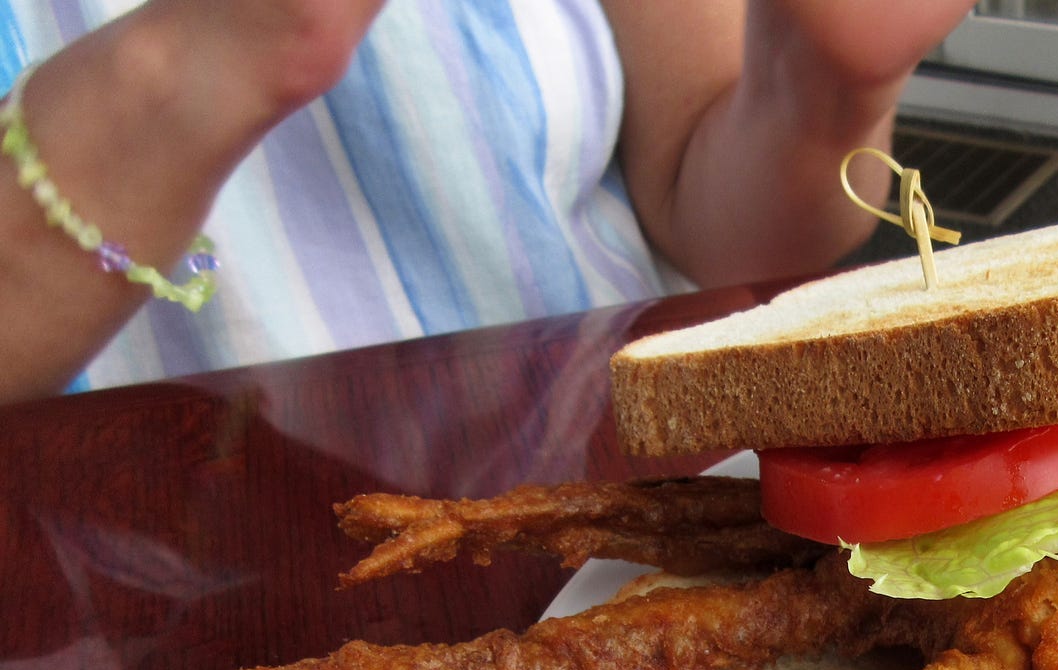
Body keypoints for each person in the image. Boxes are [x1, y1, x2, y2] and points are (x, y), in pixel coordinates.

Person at [0, 0, 972, 402]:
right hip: (120, 617)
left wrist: (820, 85)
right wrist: (183, 66)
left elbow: (718, 229)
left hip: (608, 512)